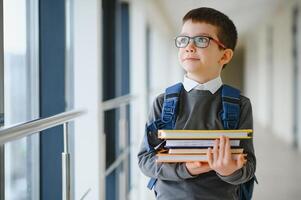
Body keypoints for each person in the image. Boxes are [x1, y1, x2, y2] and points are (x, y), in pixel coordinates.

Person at [137, 7, 256, 200]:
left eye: (201, 40)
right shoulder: (163, 102)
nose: (189, 47)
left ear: (224, 56)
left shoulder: (239, 104)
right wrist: (186, 169)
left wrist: (228, 171)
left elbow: (249, 166)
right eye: (184, 39)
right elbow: (145, 160)